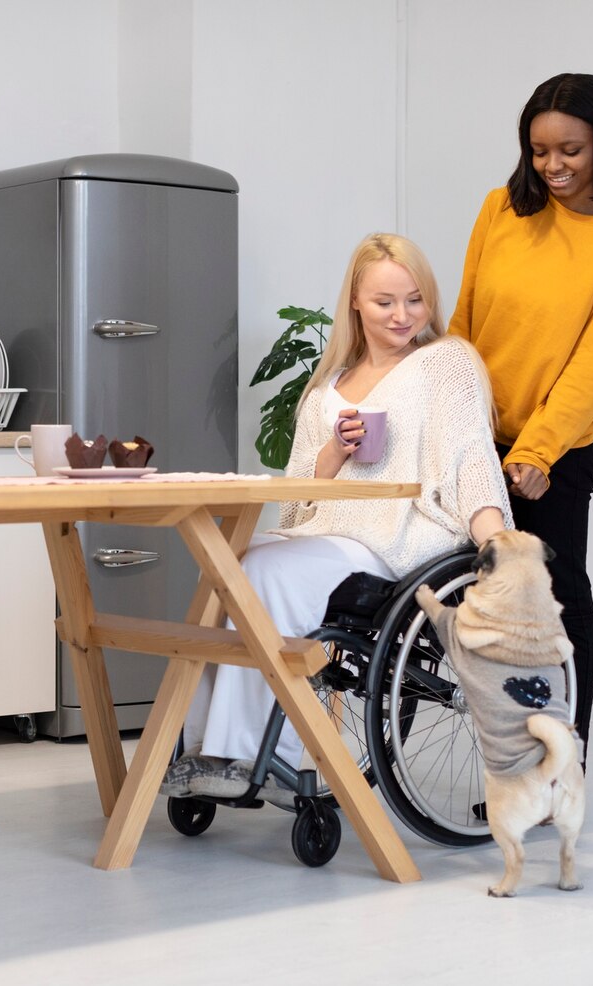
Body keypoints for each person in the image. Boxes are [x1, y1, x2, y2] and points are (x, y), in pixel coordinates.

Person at [161, 233, 511, 801]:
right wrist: (334, 453)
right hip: (325, 533)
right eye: (385, 302)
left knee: (268, 574)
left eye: (415, 300)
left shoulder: (445, 361)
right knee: (226, 569)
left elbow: (470, 454)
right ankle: (203, 751)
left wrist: (497, 542)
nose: (403, 315)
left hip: (400, 536)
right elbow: (298, 504)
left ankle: (248, 756)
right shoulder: (327, 388)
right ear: (354, 300)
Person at [448, 73, 593, 765]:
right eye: (539, 150)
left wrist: (537, 452)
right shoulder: (499, 211)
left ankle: (560, 758)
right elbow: (464, 321)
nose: (553, 166)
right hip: (473, 433)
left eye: (569, 149)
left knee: (557, 599)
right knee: (459, 590)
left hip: (555, 451)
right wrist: (444, 410)